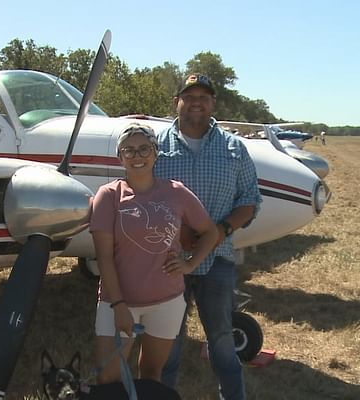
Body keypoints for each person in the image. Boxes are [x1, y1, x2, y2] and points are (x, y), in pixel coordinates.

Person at [153, 74, 262, 400]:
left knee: (222, 344)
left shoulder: (234, 148)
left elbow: (250, 200)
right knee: (167, 344)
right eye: (190, 96)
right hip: (169, 262)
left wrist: (221, 230)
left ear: (213, 103)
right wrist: (178, 231)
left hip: (218, 261)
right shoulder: (156, 147)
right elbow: (140, 195)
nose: (197, 102)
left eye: (204, 96)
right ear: (177, 102)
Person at [89, 123, 219, 384]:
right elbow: (104, 258)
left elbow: (210, 232)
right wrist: (119, 306)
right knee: (108, 379)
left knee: (151, 374)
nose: (137, 156)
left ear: (156, 153)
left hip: (167, 302)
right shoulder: (109, 196)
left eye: (144, 149)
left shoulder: (176, 192)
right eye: (129, 150)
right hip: (118, 303)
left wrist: (190, 264)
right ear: (120, 157)